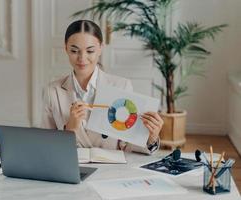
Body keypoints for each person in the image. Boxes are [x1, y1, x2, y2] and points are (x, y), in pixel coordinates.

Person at [41, 20, 163, 154]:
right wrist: (69, 129)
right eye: (74, 50)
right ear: (66, 49)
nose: (82, 58)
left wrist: (151, 137)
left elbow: (128, 145)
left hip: (110, 169)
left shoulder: (122, 86)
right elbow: (46, 146)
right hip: (71, 168)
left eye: (90, 51)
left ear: (100, 49)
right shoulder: (53, 91)